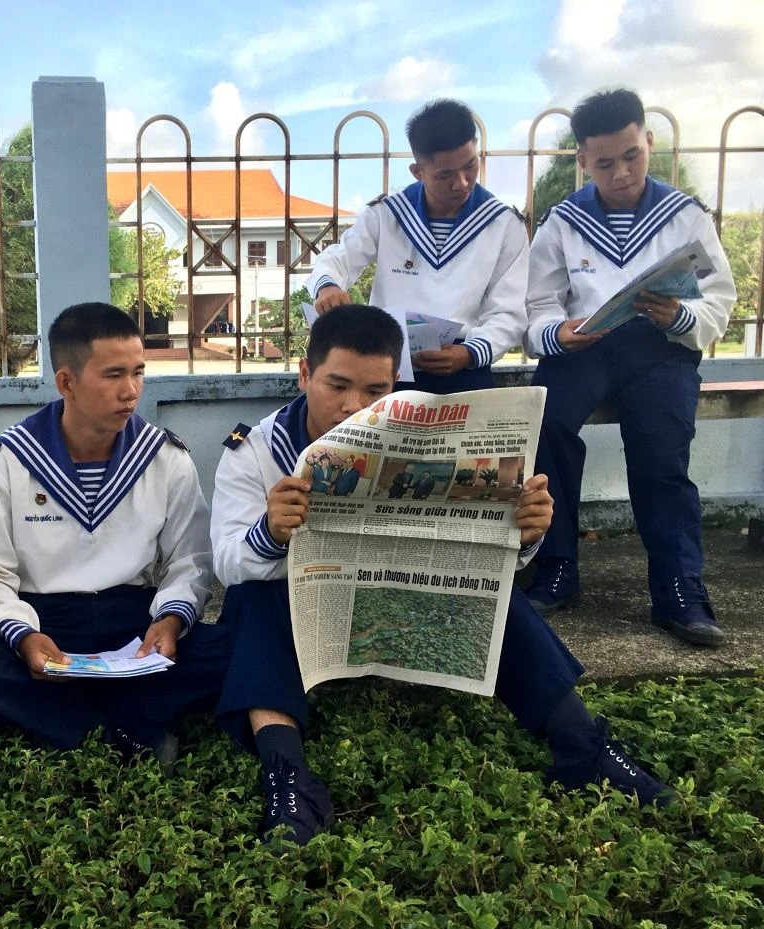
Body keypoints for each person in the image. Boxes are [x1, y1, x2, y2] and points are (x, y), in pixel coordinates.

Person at [212, 305, 672, 845]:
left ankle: (582, 745)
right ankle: (286, 776)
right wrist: (270, 534)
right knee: (253, 598)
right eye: (336, 385)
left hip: (402, 611)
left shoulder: (424, 439)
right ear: (304, 374)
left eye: (375, 390)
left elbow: (483, 554)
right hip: (305, 628)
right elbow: (226, 562)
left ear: (395, 385)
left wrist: (525, 534)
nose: (353, 406)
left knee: (489, 588)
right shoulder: (256, 452)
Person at [0, 302, 230, 758]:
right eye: (113, 375)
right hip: (43, 622)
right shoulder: (9, 460)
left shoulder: (163, 457)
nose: (131, 391)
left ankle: (68, 719)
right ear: (66, 382)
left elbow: (191, 559)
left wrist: (169, 621)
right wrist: (24, 638)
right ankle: (117, 733)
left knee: (234, 645)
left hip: (132, 623)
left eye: (138, 372)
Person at [522, 89, 735, 648]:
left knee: (662, 452)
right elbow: (537, 304)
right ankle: (557, 567)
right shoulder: (563, 221)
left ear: (649, 143)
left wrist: (680, 314)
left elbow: (719, 298)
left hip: (660, 346)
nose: (620, 173)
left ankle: (679, 588)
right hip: (586, 347)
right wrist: (558, 333)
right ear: (582, 161)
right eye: (604, 162)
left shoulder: (685, 216)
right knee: (547, 424)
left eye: (632, 156)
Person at [305, 99, 528, 394]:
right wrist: (328, 286)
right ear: (417, 171)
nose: (461, 183)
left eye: (470, 166)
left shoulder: (502, 223)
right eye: (445, 175)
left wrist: (470, 353)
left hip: (464, 362)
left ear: (477, 151)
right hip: (387, 362)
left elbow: (509, 311)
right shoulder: (388, 214)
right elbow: (338, 259)